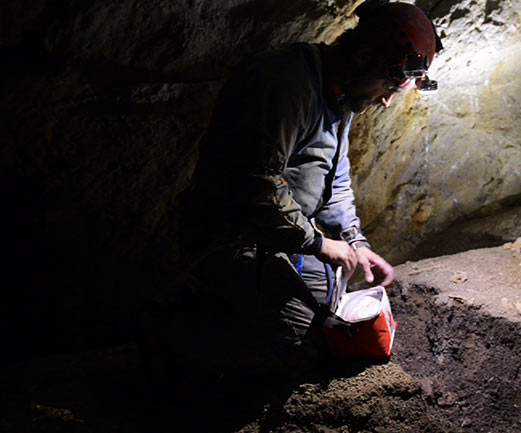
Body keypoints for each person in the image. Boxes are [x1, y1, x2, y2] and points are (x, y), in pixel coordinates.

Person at [179, 0, 442, 369]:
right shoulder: (284, 85)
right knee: (300, 344)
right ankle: (196, 339)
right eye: (387, 86)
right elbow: (255, 187)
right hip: (232, 240)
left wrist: (354, 241)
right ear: (363, 56)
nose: (385, 101)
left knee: (339, 318)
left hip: (282, 241)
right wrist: (319, 244)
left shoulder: (340, 97)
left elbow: (334, 180)